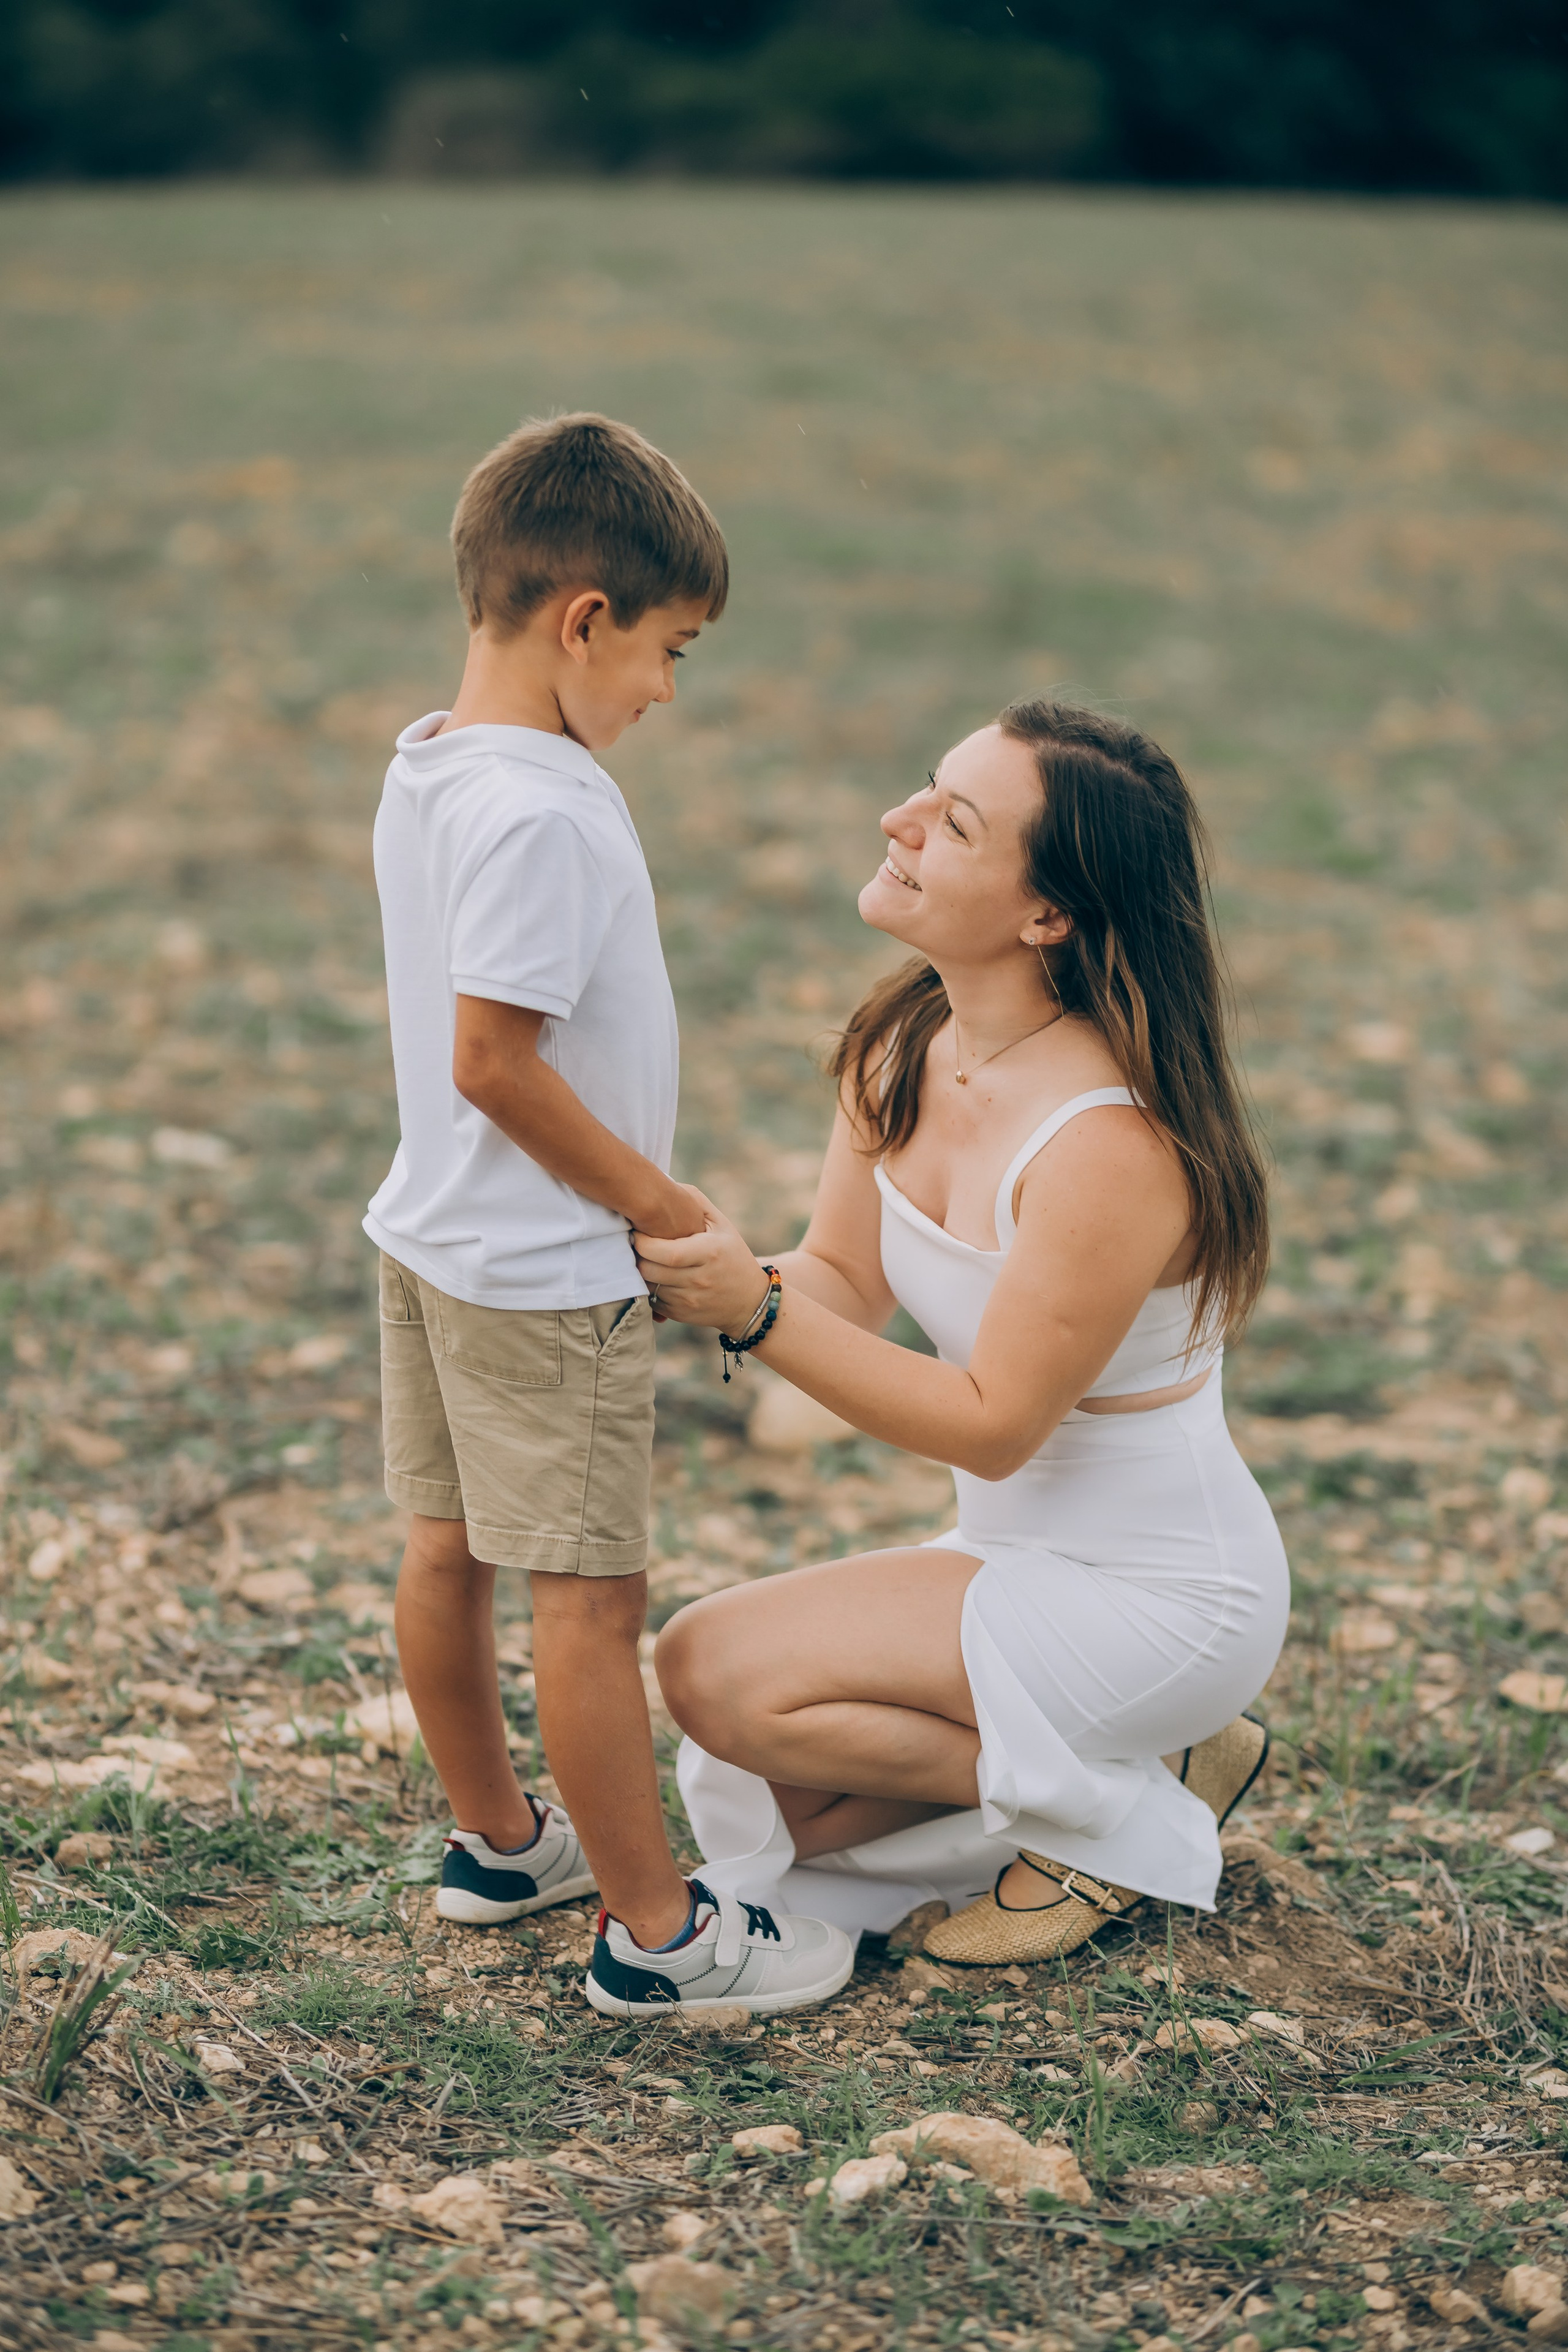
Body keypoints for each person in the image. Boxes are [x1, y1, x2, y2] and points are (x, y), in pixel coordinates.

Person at [636, 701, 1289, 1964]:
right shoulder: (905, 1041)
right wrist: (668, 1269)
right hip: (1009, 1564)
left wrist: (750, 1313)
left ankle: (1115, 1818)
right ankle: (1135, 1761)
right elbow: (834, 1277)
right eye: (923, 791)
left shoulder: (1107, 1142)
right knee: (773, 1800)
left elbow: (993, 1426)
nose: (899, 822)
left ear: (1045, 913)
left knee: (710, 1670)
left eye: (953, 821)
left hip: (1159, 1594)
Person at [364, 412, 853, 2016]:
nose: (661, 693)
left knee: (445, 1552)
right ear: (585, 620)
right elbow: (497, 1062)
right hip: (540, 1265)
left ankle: (503, 1844)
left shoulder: (434, 761)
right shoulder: (549, 810)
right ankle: (660, 1936)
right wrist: (662, 1204)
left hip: (432, 1237)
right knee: (588, 1599)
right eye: (671, 652)